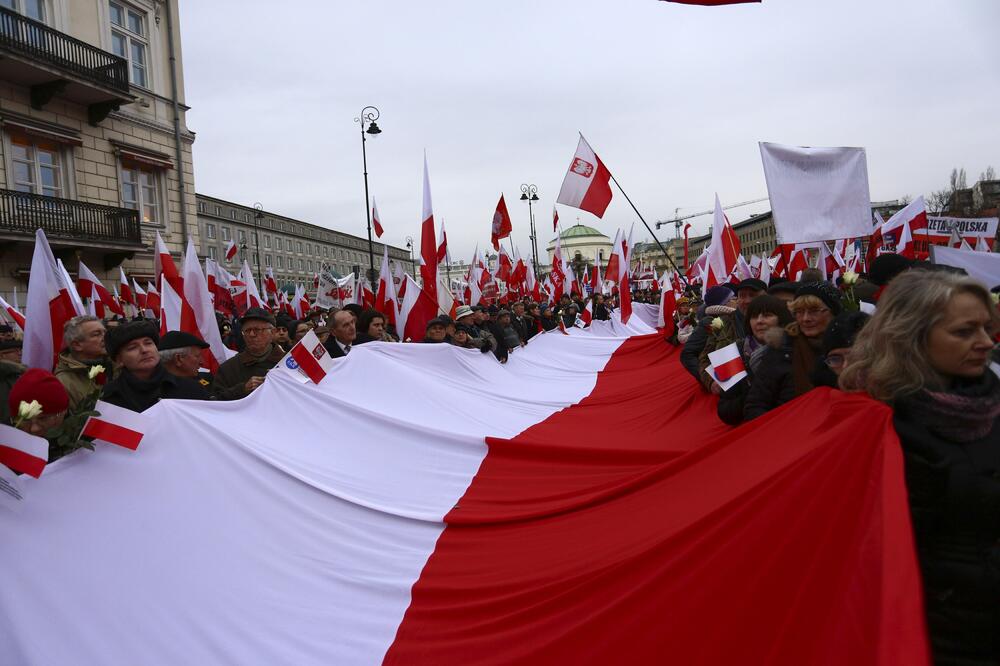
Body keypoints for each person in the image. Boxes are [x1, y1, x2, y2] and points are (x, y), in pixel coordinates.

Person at [839, 270, 1000, 664]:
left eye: (985, 328)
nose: (985, 343)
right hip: (940, 633)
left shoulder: (991, 402)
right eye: (964, 332)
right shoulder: (875, 424)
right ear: (912, 336)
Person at [743, 282, 841, 420]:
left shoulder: (851, 350)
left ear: (833, 312)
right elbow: (755, 405)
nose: (806, 318)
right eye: (799, 312)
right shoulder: (780, 349)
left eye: (814, 310)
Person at [714, 295, 793, 425]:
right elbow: (724, 411)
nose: (759, 321)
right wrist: (753, 394)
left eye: (767, 315)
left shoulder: (794, 348)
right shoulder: (729, 353)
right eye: (754, 317)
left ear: (781, 319)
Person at [102, 321, 208, 412]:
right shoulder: (108, 398)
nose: (144, 350)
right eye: (132, 347)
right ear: (119, 360)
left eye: (148, 343)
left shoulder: (191, 389)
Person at [697, 278, 767, 394]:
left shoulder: (775, 320)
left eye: (752, 295)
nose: (747, 301)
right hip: (737, 393)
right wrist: (710, 382)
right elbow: (704, 358)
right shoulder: (722, 323)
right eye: (742, 296)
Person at [213, 308, 284, 401]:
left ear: (273, 332)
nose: (251, 334)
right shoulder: (228, 368)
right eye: (247, 331)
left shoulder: (288, 363)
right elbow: (215, 400)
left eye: (257, 330)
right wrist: (243, 389)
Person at [54, 315, 109, 409]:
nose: (105, 337)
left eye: (105, 332)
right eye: (97, 334)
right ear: (77, 345)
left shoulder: (118, 364)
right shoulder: (63, 384)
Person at [681, 285, 734, 380]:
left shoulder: (735, 316)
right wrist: (708, 379)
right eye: (732, 298)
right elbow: (687, 354)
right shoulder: (710, 322)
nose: (736, 301)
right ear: (724, 303)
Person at [809, 311, 869, 389]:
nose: (845, 366)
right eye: (835, 359)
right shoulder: (819, 398)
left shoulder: (887, 395)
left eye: (855, 357)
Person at [0, 339, 26, 425]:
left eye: (20, 350)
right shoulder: (4, 374)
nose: (20, 353)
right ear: (2, 355)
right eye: (15, 351)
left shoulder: (18, 373)